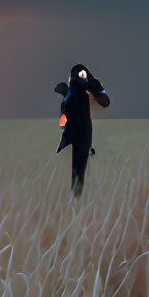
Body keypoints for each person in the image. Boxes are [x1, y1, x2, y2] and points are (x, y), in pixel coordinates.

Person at [54, 64, 110, 197]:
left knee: (80, 166)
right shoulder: (74, 91)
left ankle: (76, 194)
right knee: (77, 167)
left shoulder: (88, 86)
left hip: (83, 133)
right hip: (78, 133)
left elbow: (104, 100)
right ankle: (75, 194)